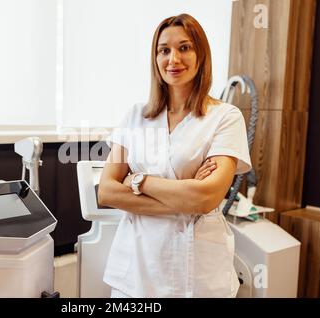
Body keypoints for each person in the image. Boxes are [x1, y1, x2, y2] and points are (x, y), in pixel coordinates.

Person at [97, 13, 252, 298]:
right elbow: (106, 192)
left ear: (201, 55)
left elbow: (206, 197)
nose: (173, 59)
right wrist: (186, 197)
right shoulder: (136, 116)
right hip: (137, 270)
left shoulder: (225, 117)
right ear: (155, 58)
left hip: (198, 272)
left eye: (184, 48)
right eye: (164, 50)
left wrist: (138, 180)